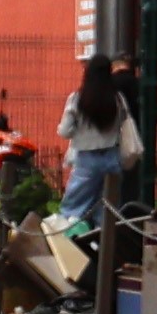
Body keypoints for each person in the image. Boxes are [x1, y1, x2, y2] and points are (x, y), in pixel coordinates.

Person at [59, 52, 131, 244]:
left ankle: (71, 244)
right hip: (112, 158)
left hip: (86, 159)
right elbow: (123, 123)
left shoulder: (77, 99)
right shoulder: (118, 99)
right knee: (107, 211)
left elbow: (65, 131)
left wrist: (80, 132)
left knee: (73, 207)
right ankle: (103, 248)